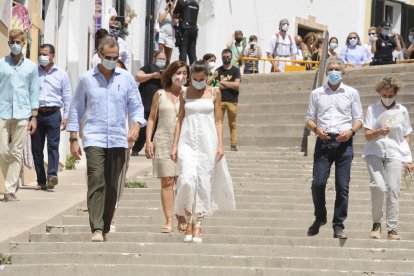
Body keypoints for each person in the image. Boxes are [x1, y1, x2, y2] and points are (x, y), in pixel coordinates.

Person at [67, 36, 146, 242]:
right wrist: (74, 138)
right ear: (99, 55)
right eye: (108, 56)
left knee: (112, 185)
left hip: (119, 138)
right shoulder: (87, 79)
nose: (112, 60)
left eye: (115, 56)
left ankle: (106, 221)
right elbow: (76, 108)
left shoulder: (126, 78)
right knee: (96, 179)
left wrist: (136, 127)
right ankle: (97, 227)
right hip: (94, 137)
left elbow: (136, 106)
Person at [171, 60, 235, 243]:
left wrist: (221, 145)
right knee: (186, 180)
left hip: (208, 142)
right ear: (190, 76)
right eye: (195, 78)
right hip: (187, 141)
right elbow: (180, 119)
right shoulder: (184, 93)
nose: (199, 82)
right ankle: (187, 219)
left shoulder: (215, 92)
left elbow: (218, 121)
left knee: (203, 182)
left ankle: (197, 224)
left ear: (207, 76)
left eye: (202, 78)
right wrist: (175, 145)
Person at [305, 56, 363, 239]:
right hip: (323, 140)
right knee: (318, 183)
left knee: (342, 186)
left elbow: (359, 119)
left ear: (343, 72)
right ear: (326, 72)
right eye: (330, 70)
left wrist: (351, 132)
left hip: (344, 141)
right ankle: (320, 217)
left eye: (337, 69)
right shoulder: (317, 93)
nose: (334, 73)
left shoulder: (352, 93)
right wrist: (316, 129)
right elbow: (309, 118)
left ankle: (338, 224)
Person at [362, 77, 413, 240]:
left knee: (393, 188)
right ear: (379, 93)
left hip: (395, 152)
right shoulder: (372, 109)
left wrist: (408, 158)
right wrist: (379, 132)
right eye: (385, 94)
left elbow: (406, 135)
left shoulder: (402, 110)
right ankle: (376, 224)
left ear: (395, 93)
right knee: (378, 186)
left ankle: (392, 228)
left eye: (391, 95)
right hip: (374, 151)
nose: (388, 98)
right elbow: (368, 135)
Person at [145, 60, 188, 233]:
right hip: (163, 140)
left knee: (184, 181)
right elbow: (152, 118)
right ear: (170, 74)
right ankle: (170, 219)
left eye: (185, 73)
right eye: (178, 73)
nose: (181, 77)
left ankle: (183, 215)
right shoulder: (160, 94)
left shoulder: (189, 93)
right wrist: (148, 141)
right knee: (167, 181)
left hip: (184, 142)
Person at [0, 29, 39, 202]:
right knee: (3, 151)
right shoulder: (1, 64)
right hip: (2, 111)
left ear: (24, 44)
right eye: (13, 41)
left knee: (16, 152)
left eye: (19, 42)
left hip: (23, 113)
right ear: (9, 43)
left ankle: (9, 189)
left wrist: (34, 116)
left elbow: (34, 91)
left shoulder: (31, 67)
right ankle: (11, 182)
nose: (16, 44)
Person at [32, 44, 72, 191]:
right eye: (40, 54)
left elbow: (67, 96)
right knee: (36, 148)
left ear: (53, 56)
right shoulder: (34, 73)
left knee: (53, 146)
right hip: (36, 114)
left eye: (45, 54)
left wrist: (66, 117)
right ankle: (41, 180)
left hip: (54, 114)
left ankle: (52, 175)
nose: (42, 57)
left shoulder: (61, 74)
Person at [131, 51, 166, 156]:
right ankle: (136, 148)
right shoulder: (149, 67)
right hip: (145, 102)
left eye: (164, 59)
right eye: (160, 58)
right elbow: (138, 76)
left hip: (160, 104)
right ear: (155, 59)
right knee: (142, 127)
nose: (162, 61)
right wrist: (152, 76)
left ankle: (151, 148)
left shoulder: (167, 70)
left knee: (156, 128)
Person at [215, 49, 241, 151]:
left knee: (232, 123)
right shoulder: (218, 70)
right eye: (224, 56)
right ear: (221, 57)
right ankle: (218, 144)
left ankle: (233, 145)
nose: (226, 58)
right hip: (219, 101)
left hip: (232, 100)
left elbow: (237, 85)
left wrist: (223, 83)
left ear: (231, 57)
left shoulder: (236, 70)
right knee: (218, 124)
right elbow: (217, 86)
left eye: (228, 56)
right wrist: (231, 84)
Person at [173, 0, 199, 64]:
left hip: (185, 29)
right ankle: (194, 70)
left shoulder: (181, 2)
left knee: (183, 50)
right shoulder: (196, 3)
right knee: (192, 52)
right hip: (194, 29)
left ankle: (183, 69)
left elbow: (175, 14)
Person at [158, 0, 176, 66]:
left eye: (172, 1)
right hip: (162, 33)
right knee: (159, 54)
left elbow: (176, 21)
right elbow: (160, 20)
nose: (170, 2)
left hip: (170, 35)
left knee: (168, 57)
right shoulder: (163, 8)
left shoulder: (176, 10)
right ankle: (157, 70)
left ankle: (166, 72)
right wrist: (167, 10)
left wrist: (171, 11)